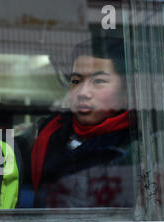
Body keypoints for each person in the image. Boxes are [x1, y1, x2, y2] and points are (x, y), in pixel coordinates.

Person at [29, 37, 136, 208]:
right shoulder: (50, 133)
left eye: (98, 81)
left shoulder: (140, 144)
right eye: (76, 81)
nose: (83, 93)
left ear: (125, 90)